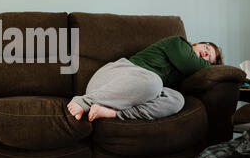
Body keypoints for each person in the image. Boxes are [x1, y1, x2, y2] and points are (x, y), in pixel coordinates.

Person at [67, 36, 223, 122]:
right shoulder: (178, 43)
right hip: (116, 75)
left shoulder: (185, 74)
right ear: (197, 43)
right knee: (154, 82)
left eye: (210, 59)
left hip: (141, 90)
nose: (206, 55)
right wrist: (211, 66)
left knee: (177, 99)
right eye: (206, 48)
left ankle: (113, 113)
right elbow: (190, 64)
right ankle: (85, 101)